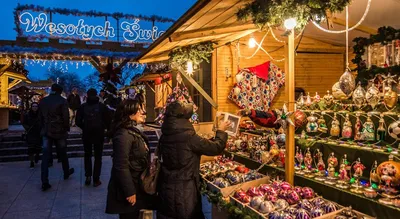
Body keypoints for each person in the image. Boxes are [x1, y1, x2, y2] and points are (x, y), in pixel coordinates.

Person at [157, 101, 230, 219]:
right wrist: (221, 131)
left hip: (166, 190)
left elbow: (196, 145)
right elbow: (216, 148)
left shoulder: (165, 135)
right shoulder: (188, 137)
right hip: (185, 193)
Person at [105, 98, 156, 219]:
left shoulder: (133, 131)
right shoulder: (123, 134)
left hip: (138, 184)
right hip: (129, 189)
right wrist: (129, 191)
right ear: (130, 113)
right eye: (139, 110)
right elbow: (121, 165)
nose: (143, 112)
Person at [39, 84, 74, 191]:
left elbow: (40, 117)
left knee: (45, 156)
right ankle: (66, 172)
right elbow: (65, 117)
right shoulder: (62, 101)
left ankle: (44, 181)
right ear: (60, 91)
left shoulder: (43, 101)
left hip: (46, 131)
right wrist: (66, 128)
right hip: (59, 131)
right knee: (63, 152)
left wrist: (43, 127)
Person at [76, 88, 111, 187]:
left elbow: (77, 121)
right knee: (98, 156)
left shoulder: (83, 107)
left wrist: (84, 127)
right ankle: (96, 178)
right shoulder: (102, 107)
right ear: (96, 95)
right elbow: (108, 121)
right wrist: (106, 130)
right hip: (99, 133)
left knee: (87, 155)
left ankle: (88, 176)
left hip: (87, 133)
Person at [22, 102, 41, 168]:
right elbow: (24, 123)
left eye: (36, 106)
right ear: (31, 107)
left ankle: (37, 156)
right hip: (30, 133)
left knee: (38, 148)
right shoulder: (27, 115)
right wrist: (27, 128)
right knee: (31, 148)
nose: (35, 107)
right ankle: (31, 161)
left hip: (38, 133)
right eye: (33, 106)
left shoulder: (40, 115)